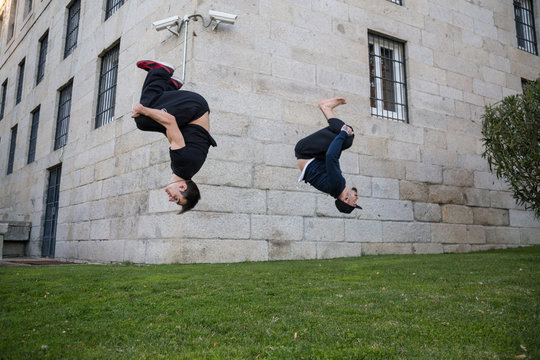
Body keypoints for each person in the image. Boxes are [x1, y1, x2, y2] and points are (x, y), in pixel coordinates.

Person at [131, 60, 217, 214]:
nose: (170, 199)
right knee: (142, 119)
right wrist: (143, 109)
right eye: (177, 199)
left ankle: (171, 85)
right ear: (182, 187)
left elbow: (169, 129)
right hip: (193, 106)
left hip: (192, 109)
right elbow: (170, 120)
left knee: (151, 120)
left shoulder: (186, 168)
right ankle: (160, 71)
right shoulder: (182, 164)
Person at [295, 97, 362, 213]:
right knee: (346, 139)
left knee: (346, 136)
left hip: (306, 152)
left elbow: (331, 157)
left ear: (346, 199)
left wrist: (343, 133)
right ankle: (327, 109)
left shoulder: (337, 185)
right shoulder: (336, 189)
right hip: (312, 155)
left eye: (354, 202)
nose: (357, 198)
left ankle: (325, 107)